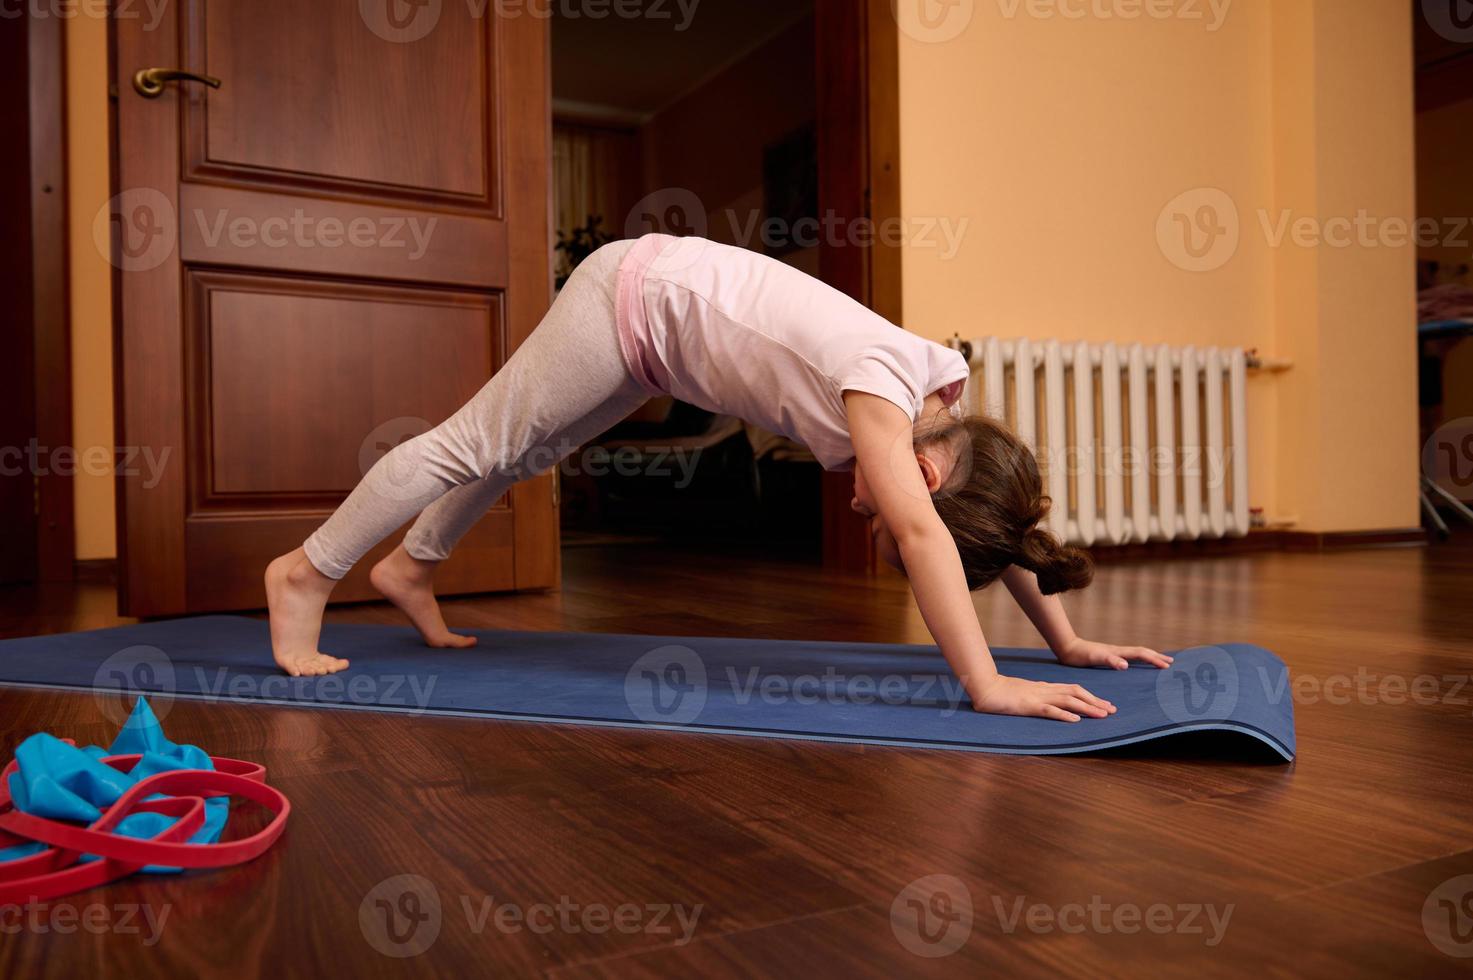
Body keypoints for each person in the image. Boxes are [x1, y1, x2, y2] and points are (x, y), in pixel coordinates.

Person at [265, 235, 1171, 720]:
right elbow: (932, 530)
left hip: (657, 345)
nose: (872, 514)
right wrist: (986, 684)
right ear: (923, 474)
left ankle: (411, 566)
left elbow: (985, 520)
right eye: (880, 523)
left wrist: (1062, 641)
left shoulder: (944, 422)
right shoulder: (883, 396)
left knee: (524, 453)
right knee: (474, 443)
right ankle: (307, 571)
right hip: (628, 298)